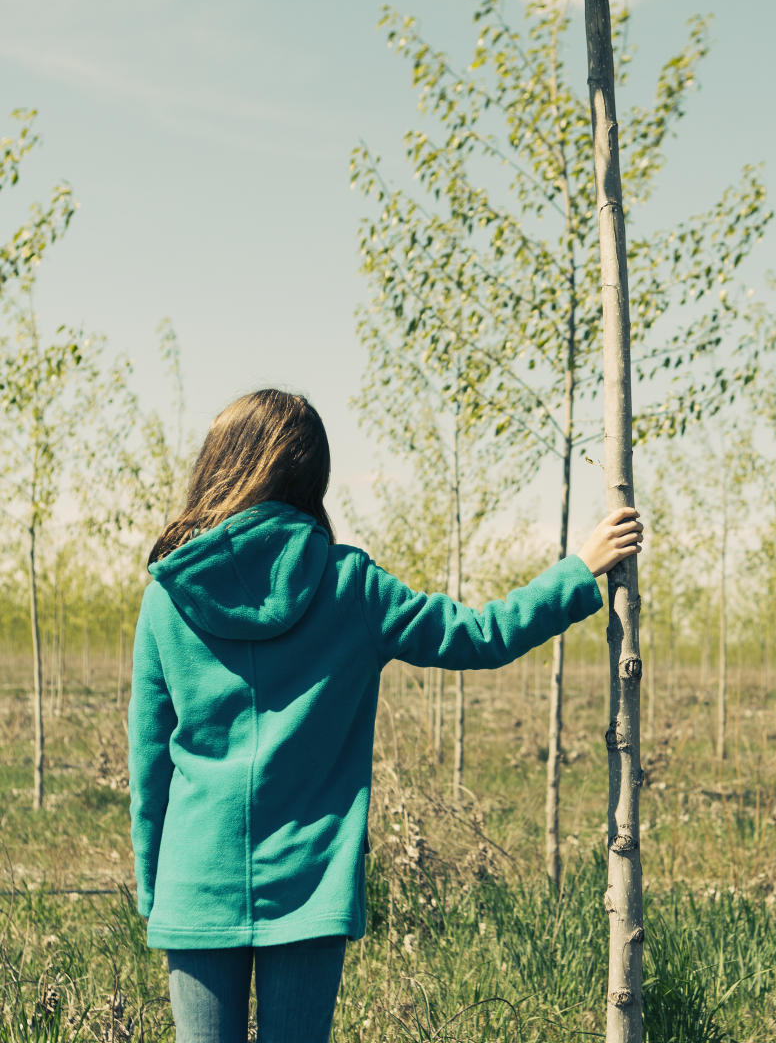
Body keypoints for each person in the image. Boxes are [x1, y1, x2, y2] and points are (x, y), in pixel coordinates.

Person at [127, 388, 643, 1043]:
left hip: (193, 883)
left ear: (219, 466)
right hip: (309, 888)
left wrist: (155, 893)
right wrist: (574, 573)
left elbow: (148, 768)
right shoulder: (351, 585)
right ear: (311, 474)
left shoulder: (168, 597)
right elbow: (475, 635)